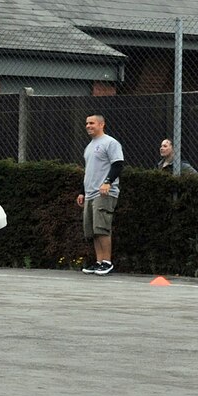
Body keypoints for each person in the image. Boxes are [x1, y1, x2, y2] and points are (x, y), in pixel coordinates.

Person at [77, 114, 123, 276]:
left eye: (92, 123)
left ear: (101, 124)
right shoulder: (89, 147)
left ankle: (107, 262)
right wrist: (82, 192)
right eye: (87, 123)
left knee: (102, 227)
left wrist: (108, 182)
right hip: (90, 194)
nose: (88, 126)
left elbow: (118, 164)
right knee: (92, 230)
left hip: (103, 193)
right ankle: (98, 261)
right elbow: (89, 171)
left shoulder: (110, 143)